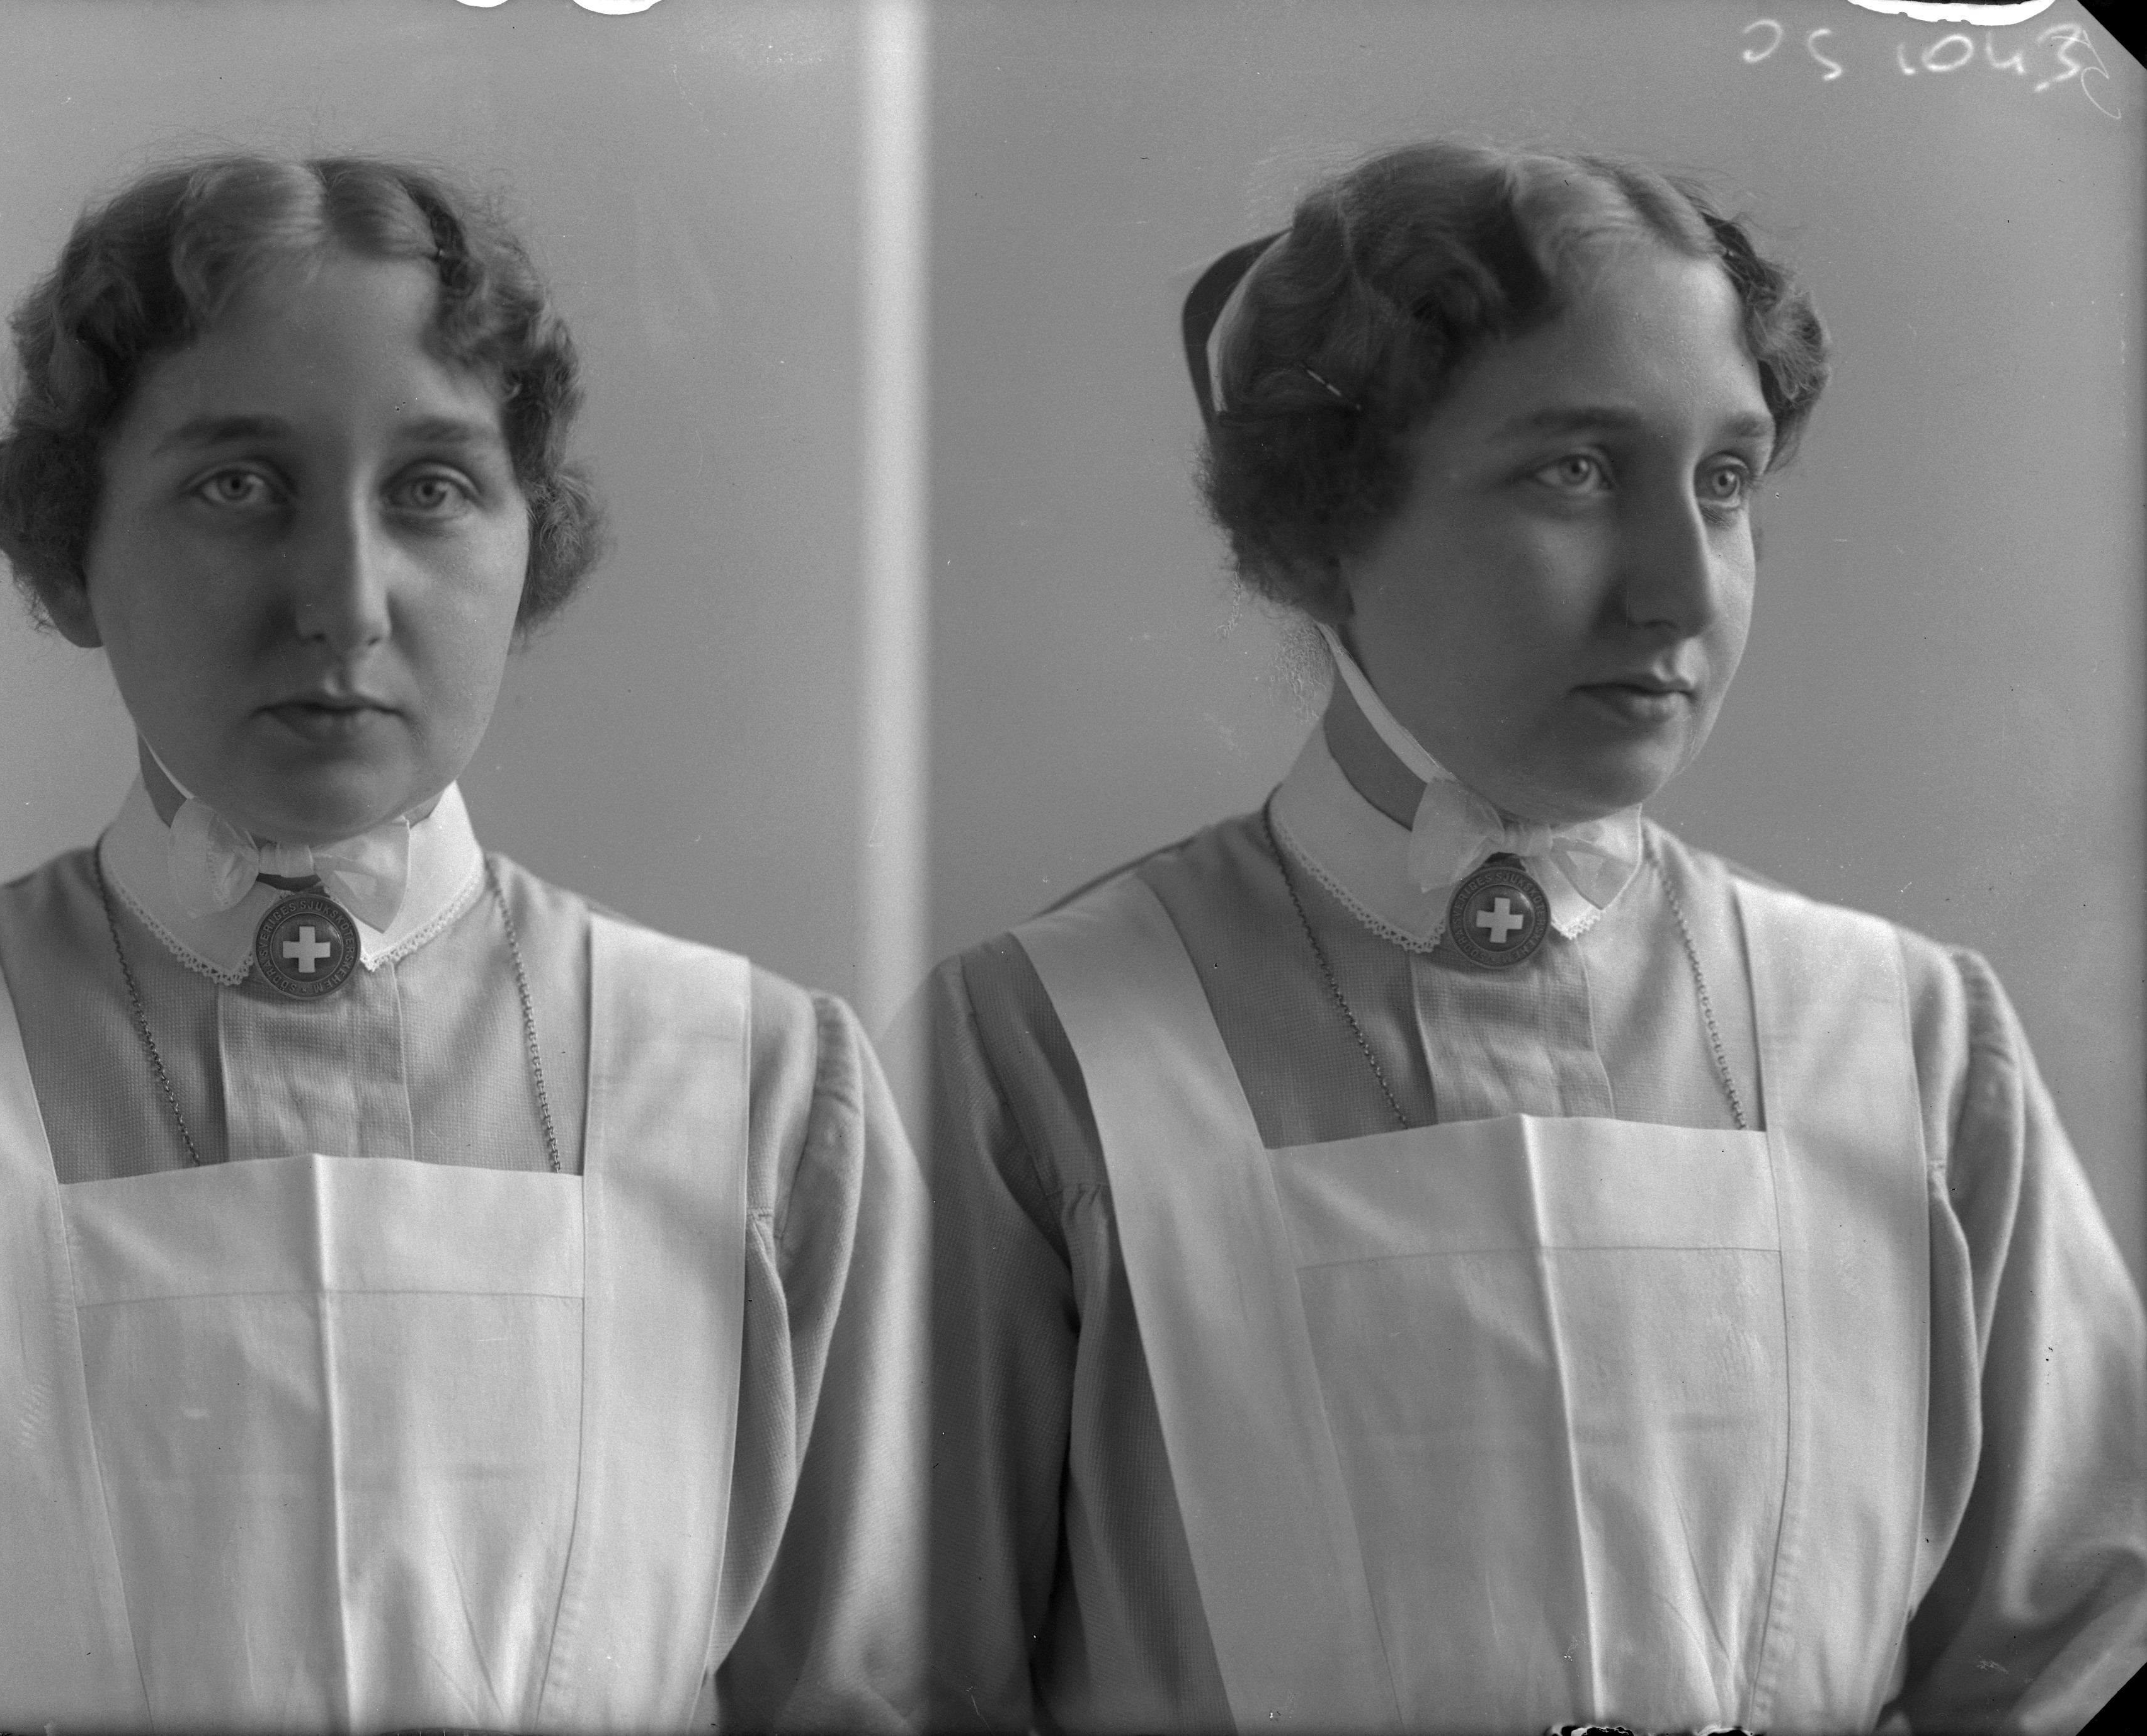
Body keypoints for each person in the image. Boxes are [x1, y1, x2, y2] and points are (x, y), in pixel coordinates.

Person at [913, 142, 2146, 1735]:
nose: (1678, 592)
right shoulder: (1039, 1042)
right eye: (1571, 471)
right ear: (1315, 532)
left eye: (1723, 481)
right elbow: (899, 1678)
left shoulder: (1906, 1036)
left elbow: (2084, 1642)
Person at [0, 154, 927, 1735]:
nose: (344, 603)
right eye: (238, 485)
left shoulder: (767, 1092)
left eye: (430, 488)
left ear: (529, 541)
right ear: (72, 548)